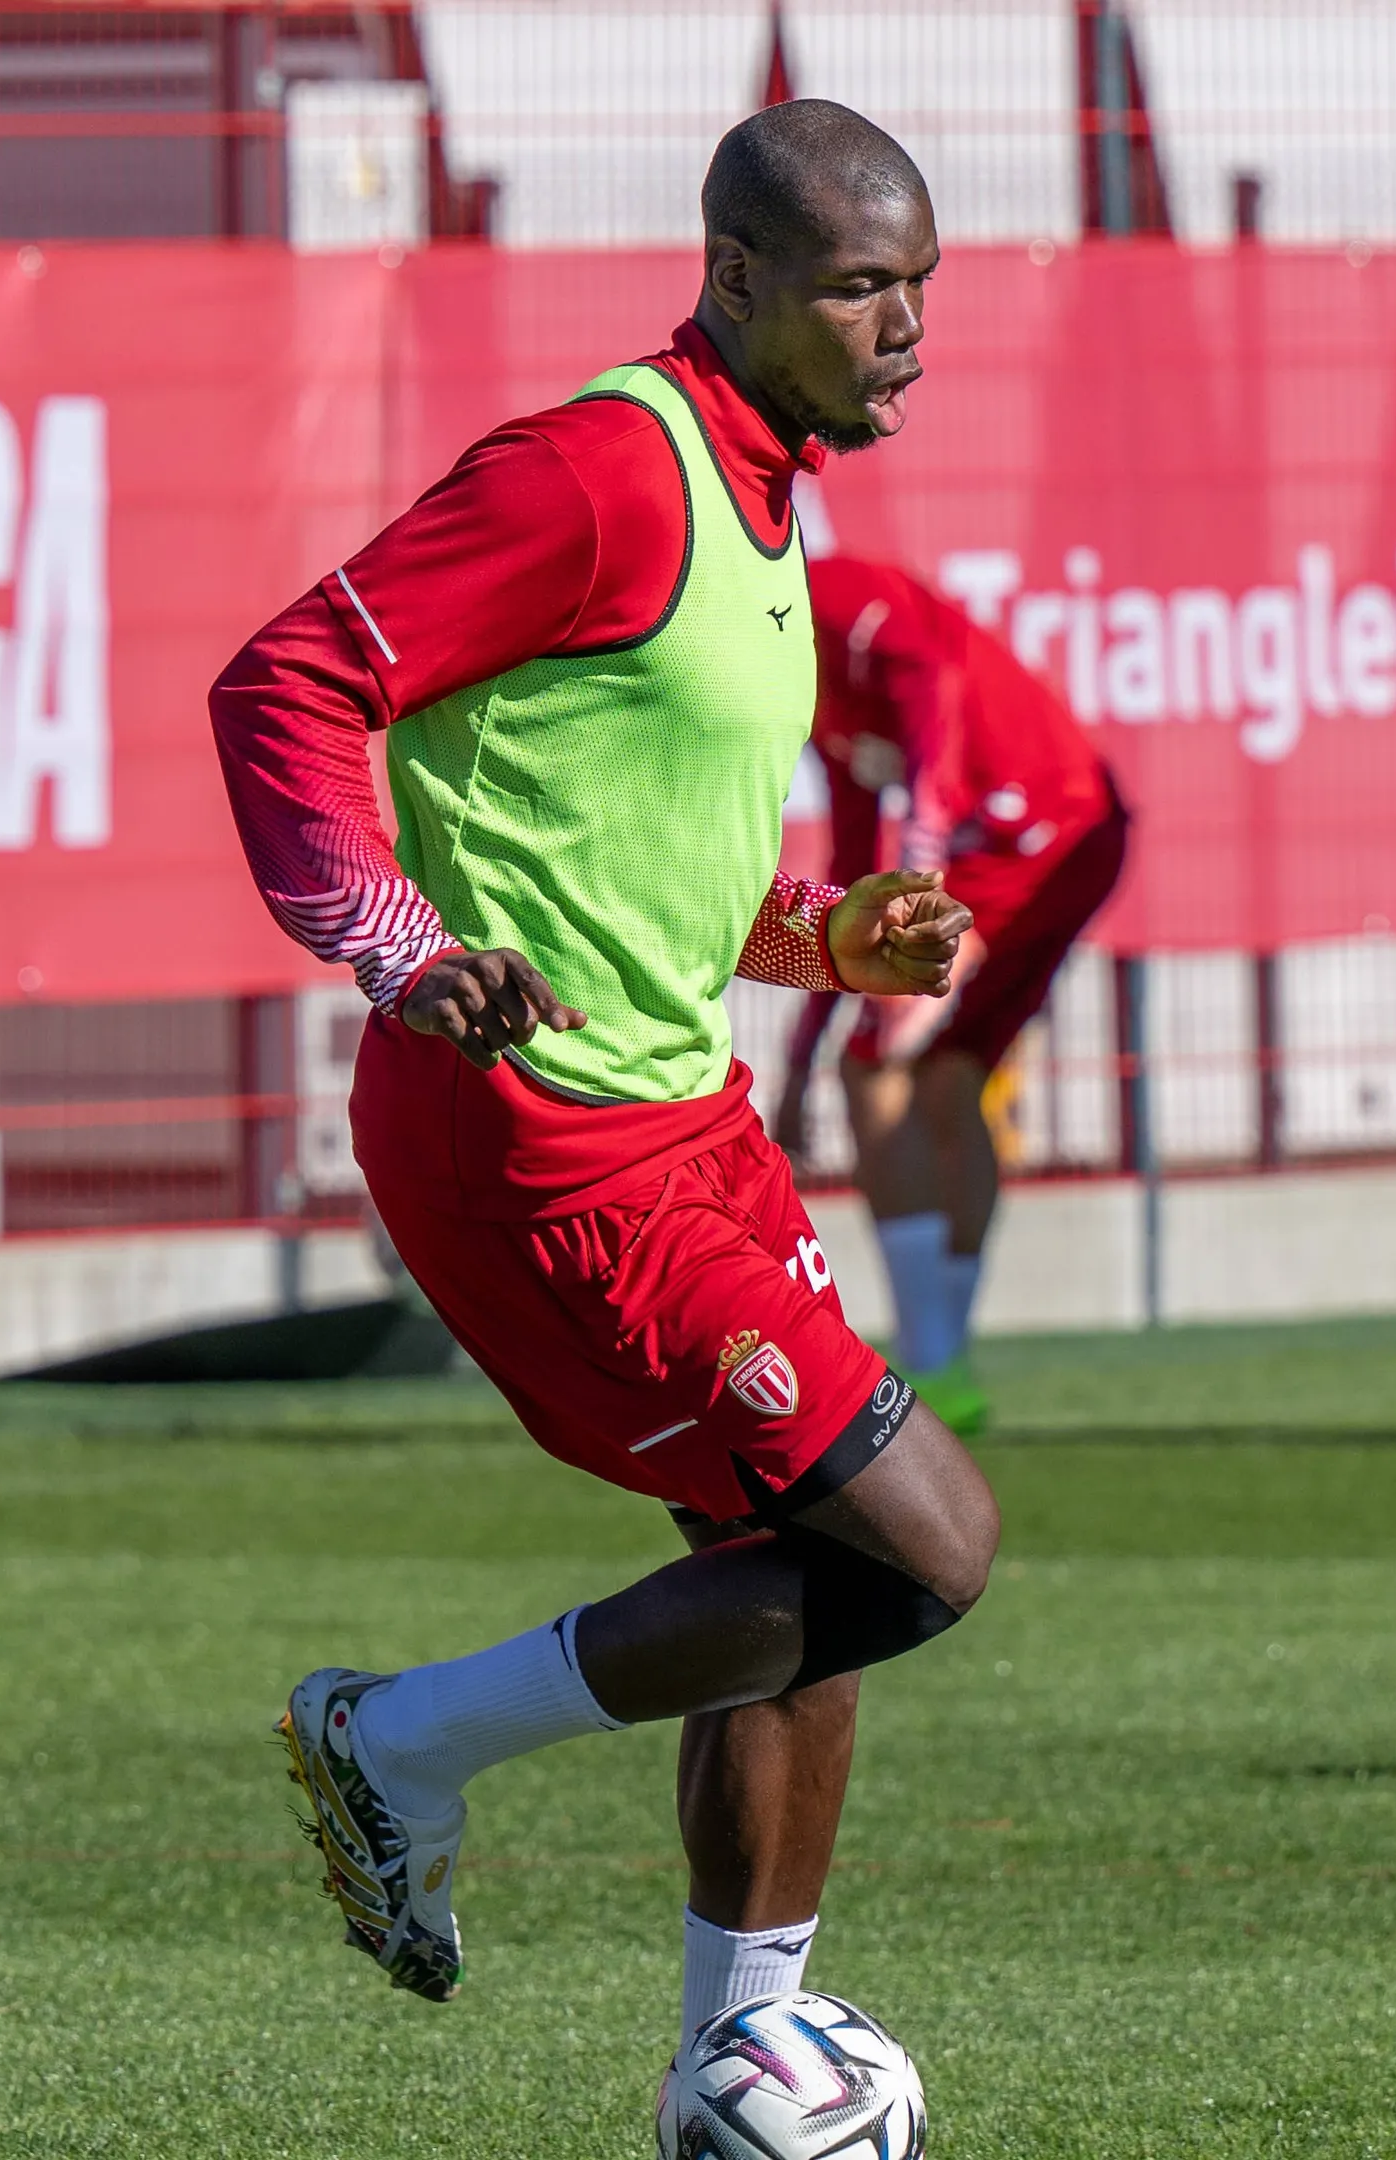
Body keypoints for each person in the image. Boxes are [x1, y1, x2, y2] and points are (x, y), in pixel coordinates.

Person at [208, 101, 1004, 2086]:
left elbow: (620, 852)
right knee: (924, 1546)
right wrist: (397, 945)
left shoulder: (762, 494)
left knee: (802, 1577)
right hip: (536, 1134)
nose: (905, 325)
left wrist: (825, 940)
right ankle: (398, 1741)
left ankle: (736, 2064)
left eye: (919, 284)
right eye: (859, 286)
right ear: (736, 279)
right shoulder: (599, 473)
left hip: (686, 1116)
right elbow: (288, 682)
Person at [771, 555, 1126, 1436]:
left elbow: (937, 690)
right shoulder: (803, 693)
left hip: (1024, 835)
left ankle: (932, 1365)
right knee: (945, 1079)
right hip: (1069, 833)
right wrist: (798, 1049)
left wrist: (923, 863)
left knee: (874, 1072)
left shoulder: (824, 594)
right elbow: (852, 872)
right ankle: (947, 1365)